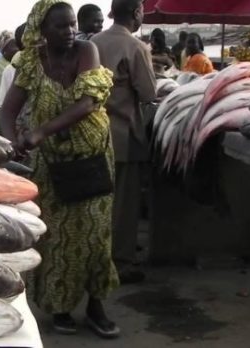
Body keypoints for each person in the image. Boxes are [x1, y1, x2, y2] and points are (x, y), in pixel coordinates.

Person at [0, 0, 120, 338]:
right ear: (42, 30)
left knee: (97, 235)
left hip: (92, 158)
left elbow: (86, 103)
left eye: (71, 24)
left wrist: (40, 131)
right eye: (60, 26)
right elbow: (8, 111)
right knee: (54, 238)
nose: (69, 31)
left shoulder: (87, 51)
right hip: (49, 165)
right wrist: (13, 144)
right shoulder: (30, 63)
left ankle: (97, 305)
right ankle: (60, 306)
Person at [92, 0, 156, 285]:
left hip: (93, 134)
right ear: (136, 13)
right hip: (123, 136)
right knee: (124, 204)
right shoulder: (136, 47)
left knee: (98, 202)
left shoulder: (93, 42)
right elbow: (148, 92)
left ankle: (95, 257)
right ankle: (120, 262)